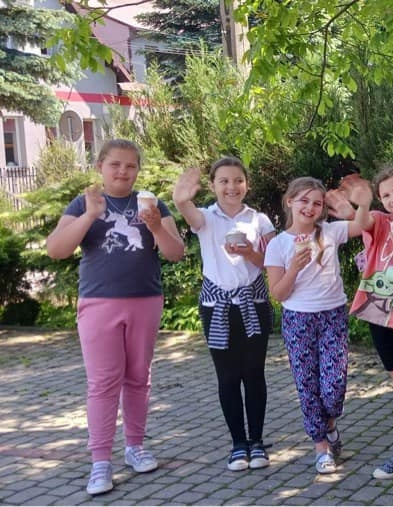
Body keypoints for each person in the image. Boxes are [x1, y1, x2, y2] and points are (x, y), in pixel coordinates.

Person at [46, 139, 186, 495]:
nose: (123, 171)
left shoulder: (153, 203)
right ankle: (100, 462)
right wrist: (90, 216)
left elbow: (176, 253)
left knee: (138, 378)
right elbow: (56, 249)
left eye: (130, 165)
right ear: (100, 167)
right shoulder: (84, 203)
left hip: (145, 301)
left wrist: (156, 226)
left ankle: (135, 447)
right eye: (115, 164)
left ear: (138, 169)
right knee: (103, 382)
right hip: (99, 303)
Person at [263, 175, 373, 475]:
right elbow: (278, 294)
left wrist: (363, 204)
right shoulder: (278, 245)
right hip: (298, 318)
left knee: (334, 386)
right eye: (304, 201)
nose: (310, 208)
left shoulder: (330, 232)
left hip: (332, 315)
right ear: (289, 202)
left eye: (317, 203)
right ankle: (321, 447)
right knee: (307, 385)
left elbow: (361, 225)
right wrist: (294, 268)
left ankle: (331, 424)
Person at [172, 159, 275, 472]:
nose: (232, 187)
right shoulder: (205, 217)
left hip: (254, 303)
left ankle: (257, 442)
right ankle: (238, 444)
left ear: (247, 184)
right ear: (213, 185)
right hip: (216, 306)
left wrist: (249, 253)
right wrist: (181, 198)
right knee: (228, 377)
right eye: (224, 181)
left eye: (238, 180)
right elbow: (187, 210)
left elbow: (272, 262)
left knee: (254, 374)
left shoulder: (259, 219)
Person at [332, 166, 393, 480]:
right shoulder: (381, 222)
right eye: (386, 194)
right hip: (378, 313)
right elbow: (362, 222)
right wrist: (362, 203)